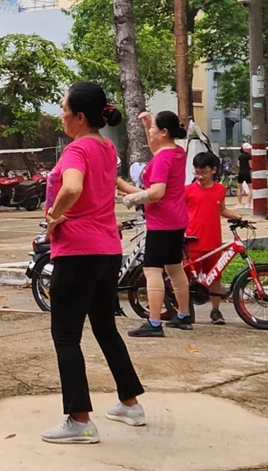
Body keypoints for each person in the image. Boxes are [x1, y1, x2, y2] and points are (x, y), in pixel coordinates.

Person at [41, 81, 145, 444]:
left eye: (64, 110)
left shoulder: (76, 150)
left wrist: (53, 216)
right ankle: (130, 403)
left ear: (80, 117)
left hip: (78, 251)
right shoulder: (106, 146)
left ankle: (79, 419)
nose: (61, 115)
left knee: (66, 336)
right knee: (104, 326)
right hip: (107, 250)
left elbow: (71, 188)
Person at [121, 111, 193, 337]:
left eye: (154, 128)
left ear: (164, 132)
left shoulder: (162, 158)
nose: (151, 131)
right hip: (178, 219)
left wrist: (132, 197)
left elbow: (156, 192)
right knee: (174, 267)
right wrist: (146, 124)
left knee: (152, 270)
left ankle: (153, 322)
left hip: (161, 221)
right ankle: (183, 315)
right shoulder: (177, 152)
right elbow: (155, 149)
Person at [186, 152, 242, 325]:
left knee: (215, 277)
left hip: (213, 242)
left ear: (213, 170)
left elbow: (222, 210)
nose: (200, 176)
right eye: (197, 172)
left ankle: (216, 311)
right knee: (187, 278)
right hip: (193, 241)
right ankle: (185, 309)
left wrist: (237, 217)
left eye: (203, 172)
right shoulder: (188, 190)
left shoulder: (220, 190)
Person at [236, 143, 253, 208]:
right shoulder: (249, 156)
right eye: (248, 148)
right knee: (251, 188)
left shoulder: (240, 156)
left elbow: (238, 164)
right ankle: (248, 203)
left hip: (240, 172)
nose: (249, 149)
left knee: (239, 188)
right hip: (247, 172)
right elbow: (251, 165)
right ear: (245, 149)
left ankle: (239, 203)